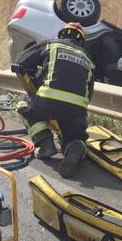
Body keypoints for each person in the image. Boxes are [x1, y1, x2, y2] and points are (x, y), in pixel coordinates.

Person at [11, 22, 95, 178]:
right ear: (82, 41)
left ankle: (44, 142)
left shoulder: (51, 45)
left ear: (61, 34)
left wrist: (33, 84)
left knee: (24, 104)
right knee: (75, 135)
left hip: (47, 102)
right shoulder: (88, 59)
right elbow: (89, 94)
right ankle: (74, 144)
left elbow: (19, 63)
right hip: (77, 109)